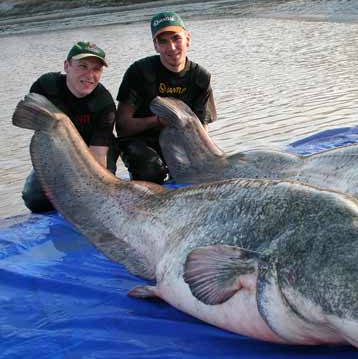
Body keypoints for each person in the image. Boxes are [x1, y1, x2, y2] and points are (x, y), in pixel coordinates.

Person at [115, 11, 217, 183]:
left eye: (176, 38)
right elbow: (122, 127)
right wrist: (157, 121)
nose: (171, 47)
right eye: (163, 41)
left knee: (207, 170)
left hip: (180, 140)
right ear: (155, 46)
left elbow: (202, 130)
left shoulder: (201, 78)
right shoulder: (139, 72)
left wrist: (203, 159)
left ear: (187, 39)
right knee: (151, 172)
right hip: (141, 141)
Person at [22, 41, 116, 213]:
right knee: (34, 198)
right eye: (83, 66)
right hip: (57, 151)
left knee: (98, 193)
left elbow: (98, 154)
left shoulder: (104, 104)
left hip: (92, 151)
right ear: (67, 66)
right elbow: (33, 127)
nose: (90, 75)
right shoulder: (45, 87)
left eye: (96, 69)